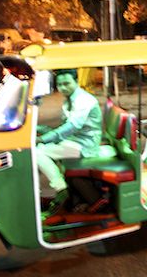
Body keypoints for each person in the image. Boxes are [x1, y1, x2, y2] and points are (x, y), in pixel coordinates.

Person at [36, 69, 103, 213]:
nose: (63, 87)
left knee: (37, 152)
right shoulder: (69, 100)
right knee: (43, 147)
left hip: (84, 145)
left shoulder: (84, 100)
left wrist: (43, 138)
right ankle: (69, 193)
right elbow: (64, 127)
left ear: (76, 82)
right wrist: (39, 128)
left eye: (67, 83)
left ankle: (61, 188)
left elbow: (72, 126)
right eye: (60, 84)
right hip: (74, 140)